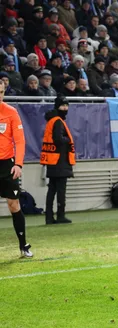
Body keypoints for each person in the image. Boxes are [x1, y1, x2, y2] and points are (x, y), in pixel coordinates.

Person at [0, 80, 32, 257]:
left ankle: (23, 245)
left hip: (7, 164)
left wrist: (18, 164)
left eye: (1, 92)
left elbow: (19, 140)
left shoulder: (11, 112)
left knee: (14, 204)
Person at [40, 96, 75, 224]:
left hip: (52, 160)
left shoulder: (51, 120)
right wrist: (68, 140)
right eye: (63, 106)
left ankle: (49, 217)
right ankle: (60, 215)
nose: (65, 108)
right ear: (57, 106)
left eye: (66, 105)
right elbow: (58, 139)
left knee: (52, 190)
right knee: (60, 190)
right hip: (60, 160)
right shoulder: (58, 121)